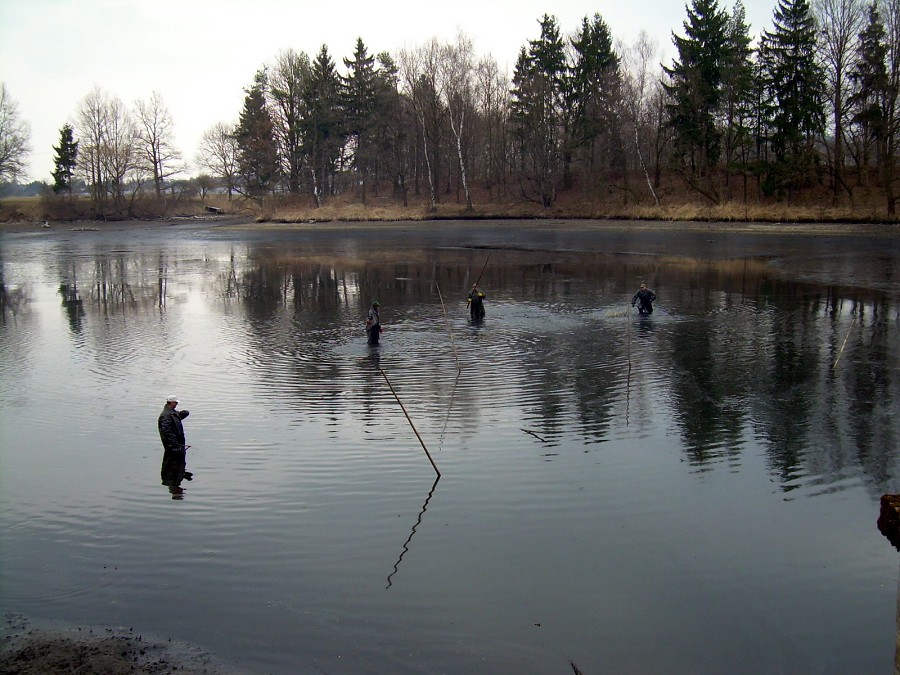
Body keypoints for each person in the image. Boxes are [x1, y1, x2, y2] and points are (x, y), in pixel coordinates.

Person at [158, 395, 192, 488]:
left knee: (178, 462)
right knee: (173, 462)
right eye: (176, 402)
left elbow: (176, 419)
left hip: (178, 446)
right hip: (173, 447)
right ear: (171, 402)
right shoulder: (165, 415)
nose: (177, 404)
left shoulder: (172, 413)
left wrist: (184, 475)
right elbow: (166, 431)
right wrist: (175, 443)